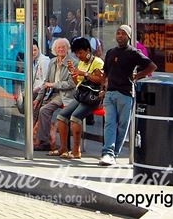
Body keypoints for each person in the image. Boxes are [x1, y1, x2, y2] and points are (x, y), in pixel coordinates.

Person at [99, 24, 156, 166]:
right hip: (110, 93)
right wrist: (102, 87)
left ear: (129, 36)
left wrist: (138, 76)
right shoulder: (111, 52)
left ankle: (113, 153)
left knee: (123, 126)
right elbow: (105, 72)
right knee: (109, 123)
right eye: (118, 33)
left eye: (123, 33)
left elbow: (152, 66)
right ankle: (108, 152)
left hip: (125, 93)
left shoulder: (133, 52)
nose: (120, 36)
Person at [53, 36, 105, 159]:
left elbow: (101, 79)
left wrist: (84, 73)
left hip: (93, 97)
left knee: (75, 117)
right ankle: (64, 148)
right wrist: (74, 73)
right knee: (61, 116)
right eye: (76, 53)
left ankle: (76, 150)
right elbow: (78, 83)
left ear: (88, 50)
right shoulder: (81, 63)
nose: (79, 56)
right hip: (82, 95)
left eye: (81, 53)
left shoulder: (97, 62)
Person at [33, 37, 75, 153]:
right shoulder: (52, 62)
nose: (61, 49)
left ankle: (44, 142)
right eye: (58, 48)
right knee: (36, 107)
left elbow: (71, 84)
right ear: (54, 49)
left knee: (44, 110)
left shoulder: (72, 62)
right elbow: (45, 82)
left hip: (65, 94)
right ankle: (36, 139)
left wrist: (54, 84)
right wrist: (38, 98)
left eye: (63, 47)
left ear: (68, 49)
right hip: (52, 93)